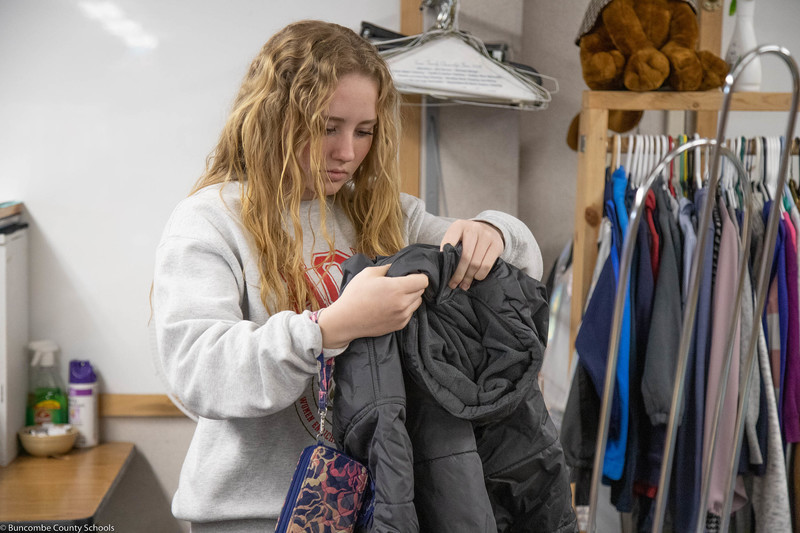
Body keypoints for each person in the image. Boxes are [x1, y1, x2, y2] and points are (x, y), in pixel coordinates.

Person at [152, 19, 543, 532]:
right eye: (326, 127)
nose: (347, 153)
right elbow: (195, 372)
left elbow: (520, 266)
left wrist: (493, 229)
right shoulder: (211, 220)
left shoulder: (384, 215)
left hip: (373, 513)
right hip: (249, 518)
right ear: (273, 118)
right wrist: (328, 328)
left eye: (364, 132)